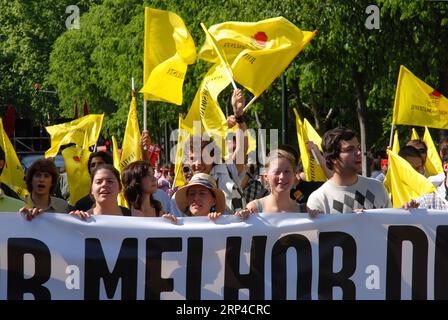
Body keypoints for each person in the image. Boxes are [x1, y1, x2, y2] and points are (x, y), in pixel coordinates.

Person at [307, 127, 391, 214]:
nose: (358, 153)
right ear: (333, 158)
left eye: (358, 148)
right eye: (349, 150)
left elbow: (391, 223)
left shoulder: (378, 188)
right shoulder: (319, 199)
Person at [245, 149, 303, 214]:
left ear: (294, 175)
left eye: (287, 171)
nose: (282, 177)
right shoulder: (253, 209)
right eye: (276, 172)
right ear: (266, 176)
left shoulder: (305, 211)